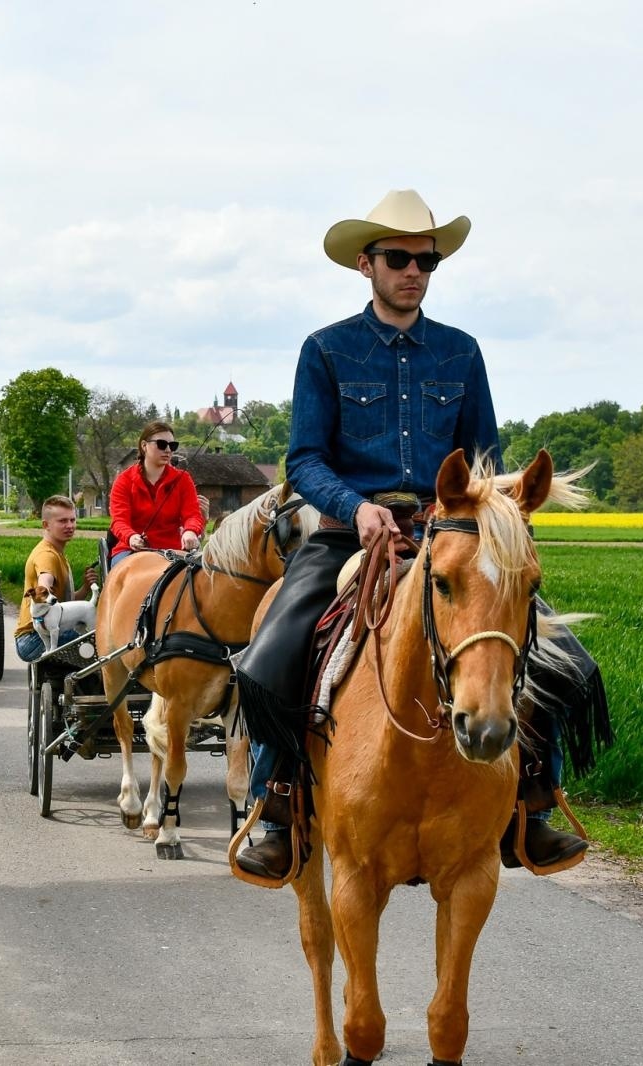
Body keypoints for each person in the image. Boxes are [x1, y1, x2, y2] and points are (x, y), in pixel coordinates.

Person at [233, 188, 587, 880]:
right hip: (347, 536)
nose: (415, 271)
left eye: (427, 260)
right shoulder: (326, 351)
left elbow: (481, 452)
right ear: (365, 264)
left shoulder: (461, 353)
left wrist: (499, 502)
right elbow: (303, 458)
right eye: (399, 258)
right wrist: (358, 507)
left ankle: (534, 802)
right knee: (268, 658)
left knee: (560, 656)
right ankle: (277, 805)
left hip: (448, 535)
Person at [107, 421, 205, 566]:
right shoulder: (124, 481)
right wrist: (131, 537)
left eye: (172, 446)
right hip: (131, 550)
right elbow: (119, 521)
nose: (168, 450)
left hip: (173, 551)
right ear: (144, 446)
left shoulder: (183, 479)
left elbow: (192, 515)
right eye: (161, 444)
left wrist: (190, 531)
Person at [14, 495, 99, 663]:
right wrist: (45, 586)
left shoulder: (57, 553)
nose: (70, 526)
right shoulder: (47, 555)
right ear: (46, 525)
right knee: (105, 640)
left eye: (72, 520)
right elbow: (45, 580)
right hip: (33, 639)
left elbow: (62, 605)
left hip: (41, 631)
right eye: (62, 521)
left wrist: (85, 588)